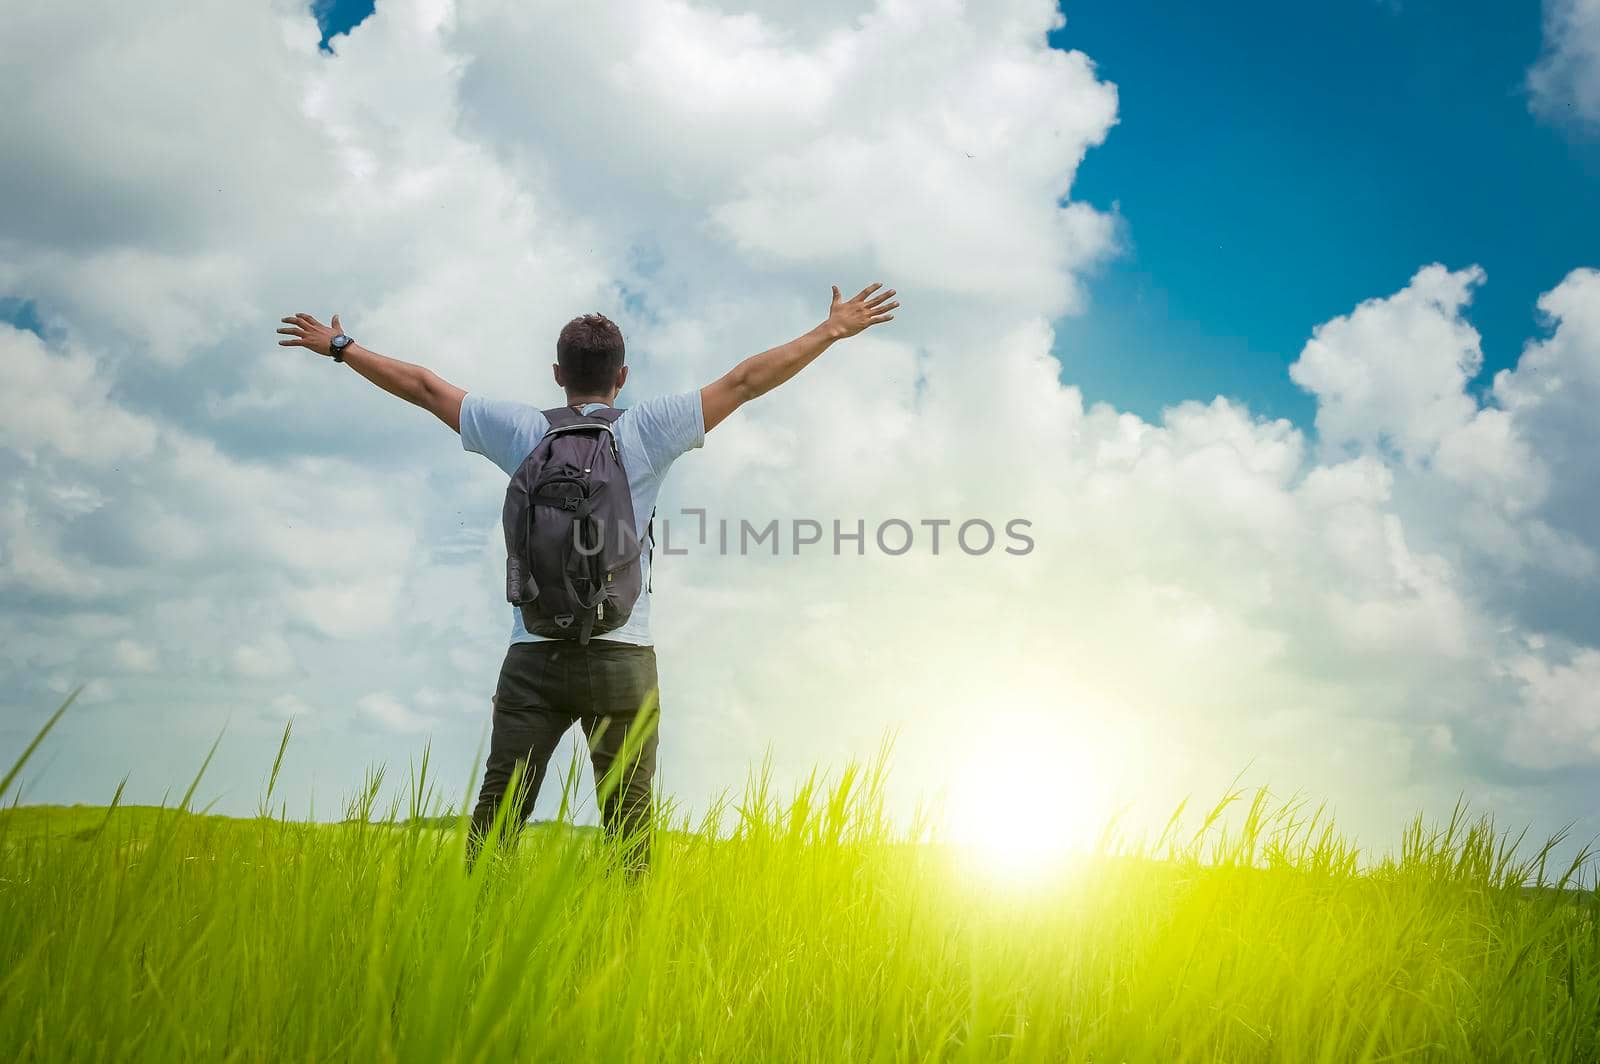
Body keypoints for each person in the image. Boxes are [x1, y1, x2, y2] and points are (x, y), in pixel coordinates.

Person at [276, 282, 899, 870]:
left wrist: (340, 346)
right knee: (629, 830)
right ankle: (628, 950)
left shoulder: (521, 431)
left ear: (557, 374)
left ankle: (473, 939)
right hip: (623, 654)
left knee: (497, 820)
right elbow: (745, 381)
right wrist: (830, 330)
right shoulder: (648, 430)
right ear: (621, 377)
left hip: (533, 655)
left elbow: (423, 387)